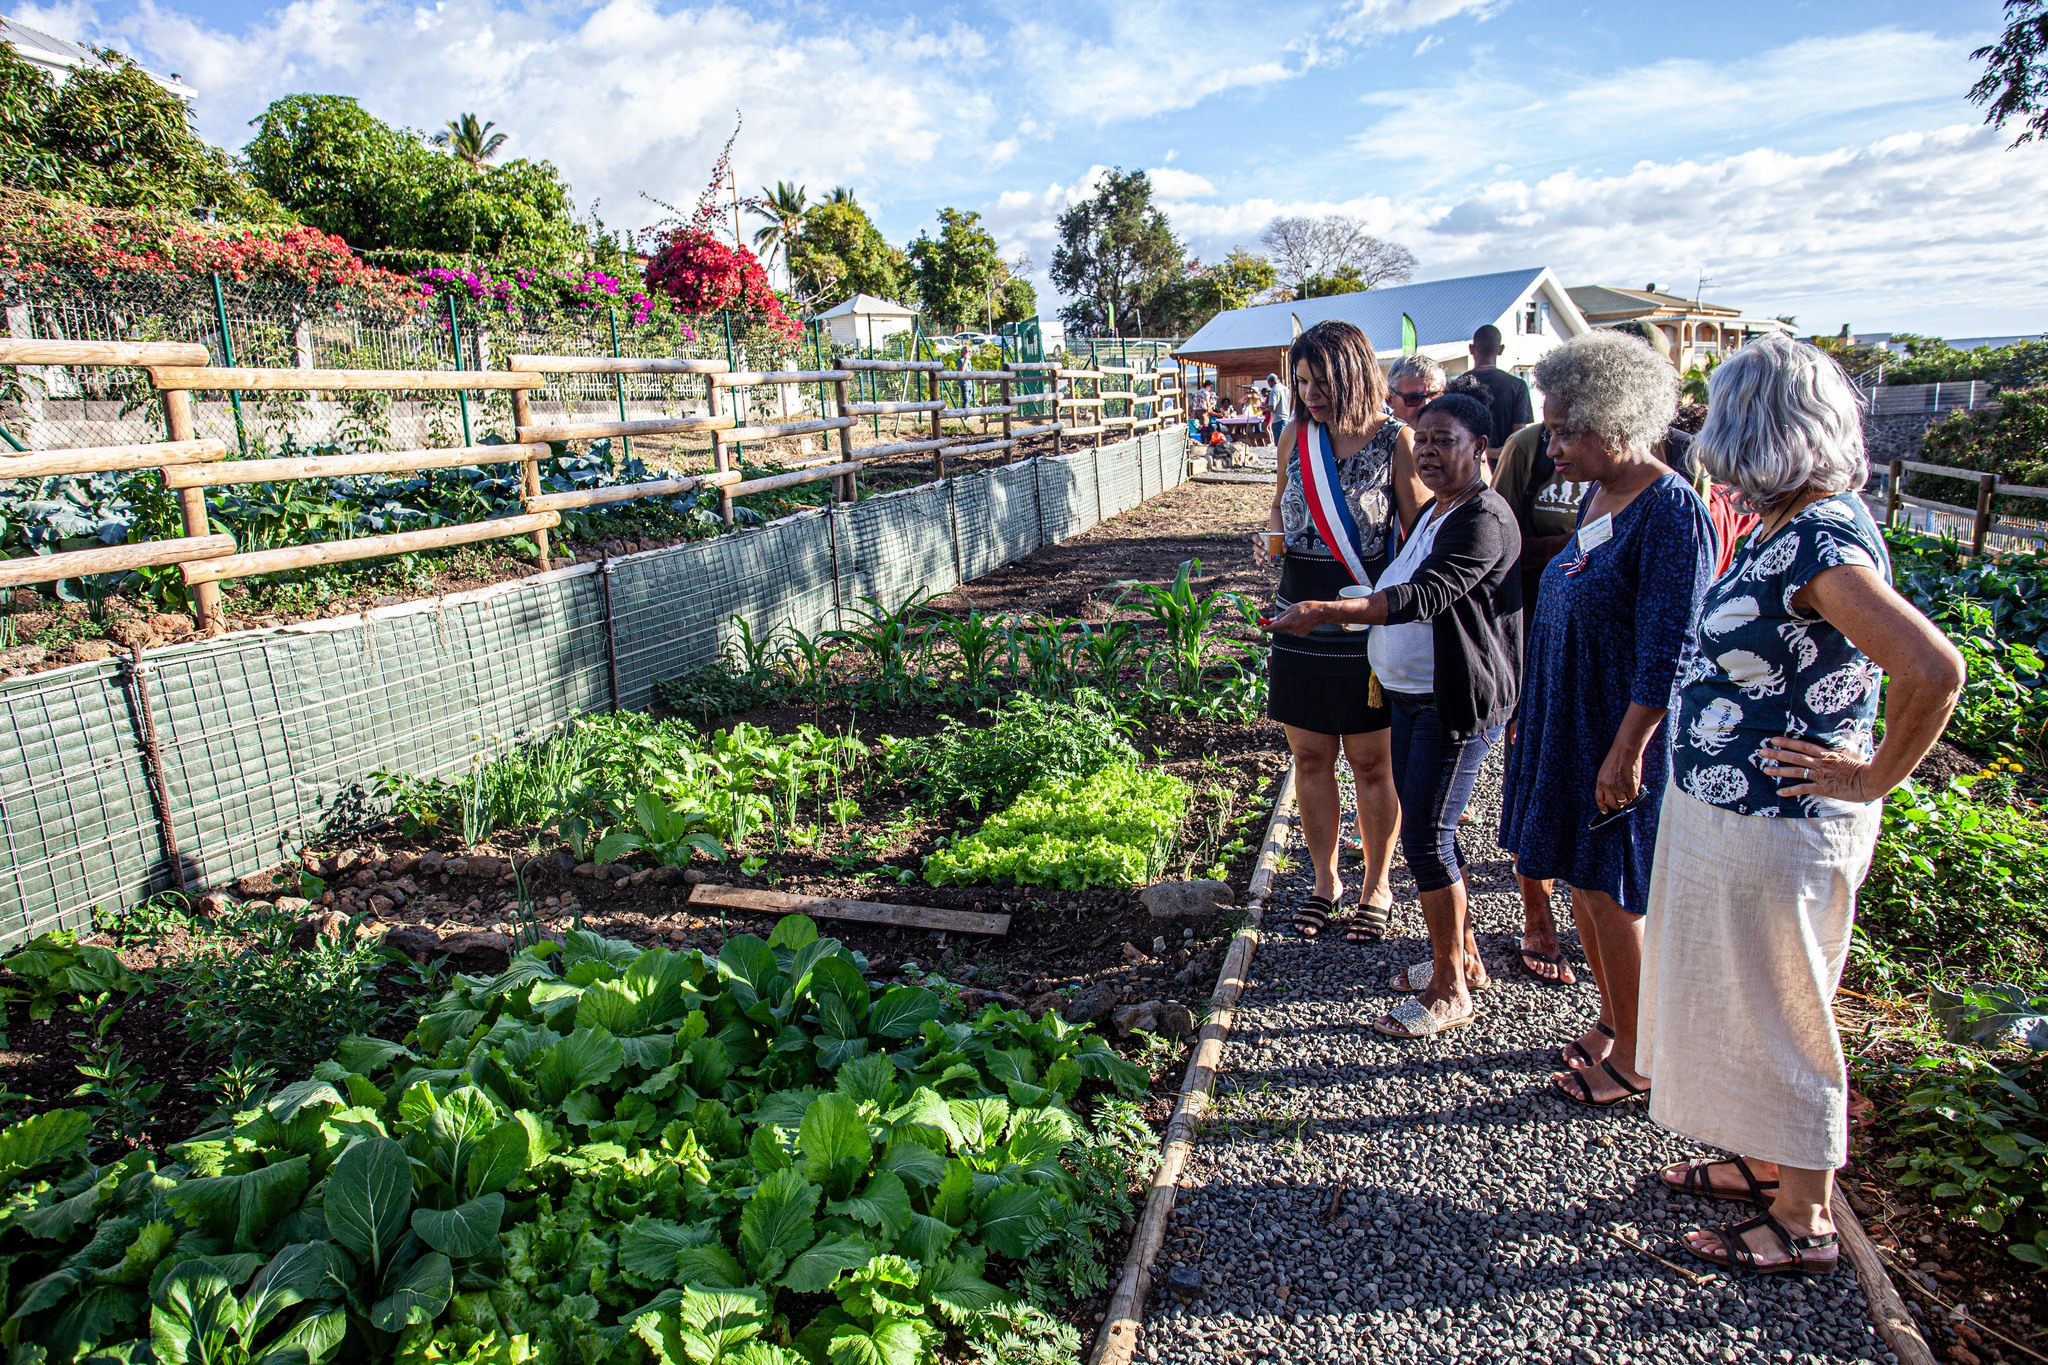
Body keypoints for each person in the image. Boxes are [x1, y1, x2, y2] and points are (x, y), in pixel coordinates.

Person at [1637, 334, 1964, 1275]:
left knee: (1780, 1003)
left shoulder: (1823, 537)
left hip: (1777, 822)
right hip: (1735, 812)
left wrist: (1870, 777)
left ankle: (1805, 1215)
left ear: (1758, 429)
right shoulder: (1794, 524)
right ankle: (1765, 1156)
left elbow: (1933, 667)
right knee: (1741, 993)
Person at [1493, 332, 1716, 1102]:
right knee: (1584, 883)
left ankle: (1642, 1052)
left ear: (1618, 422)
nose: (1552, 447)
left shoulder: (1669, 511)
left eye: (1566, 430)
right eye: (1550, 428)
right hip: (1566, 719)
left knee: (1613, 889)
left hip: (1613, 731)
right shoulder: (1600, 493)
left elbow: (1670, 650)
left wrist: (1627, 752)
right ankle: (1617, 1018)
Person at [1264, 392, 1523, 1035]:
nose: (1430, 452)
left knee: (1428, 840)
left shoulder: (1481, 518)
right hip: (1413, 695)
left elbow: (1422, 596)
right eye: (1424, 440)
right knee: (1433, 833)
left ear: (1481, 448)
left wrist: (1327, 611)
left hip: (1451, 700)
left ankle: (1448, 987)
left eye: (1445, 440)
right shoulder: (1442, 508)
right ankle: (1460, 954)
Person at [1251, 320, 1426, 941]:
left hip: (1363, 615)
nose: (1309, 393)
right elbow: (1280, 501)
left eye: (1320, 380)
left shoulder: (1396, 441)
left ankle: (1378, 883)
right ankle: (1325, 880)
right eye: (1300, 381)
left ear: (1353, 373)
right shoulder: (1295, 434)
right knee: (1310, 756)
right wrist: (1271, 533)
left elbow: (1420, 532)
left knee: (1372, 761)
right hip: (1297, 613)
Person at [1463, 324, 1534, 450]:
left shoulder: (1459, 385)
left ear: (1471, 349)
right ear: (1501, 349)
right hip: (1504, 464)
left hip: (1468, 463)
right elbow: (1519, 438)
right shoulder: (1517, 386)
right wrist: (1497, 453)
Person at [1387, 354, 1445, 424]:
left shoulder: (1455, 432)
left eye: (1434, 396)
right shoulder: (1373, 433)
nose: (1425, 405)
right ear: (1389, 398)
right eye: (1413, 398)